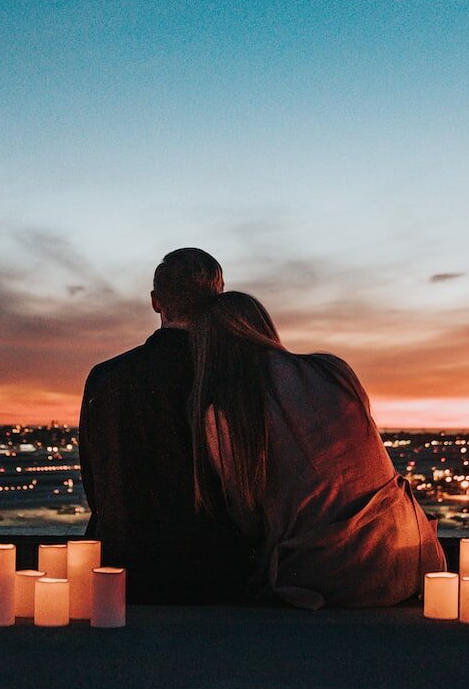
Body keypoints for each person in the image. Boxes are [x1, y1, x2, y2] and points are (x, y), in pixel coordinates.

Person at [189, 290, 444, 608]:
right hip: (412, 557)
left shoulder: (226, 413)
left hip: (331, 576)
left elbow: (246, 517)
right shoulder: (333, 370)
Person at [78, 248, 251, 602]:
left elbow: (97, 485)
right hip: (213, 575)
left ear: (156, 302)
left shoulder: (104, 378)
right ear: (218, 299)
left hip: (122, 570)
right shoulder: (234, 377)